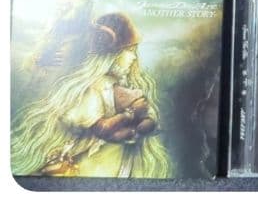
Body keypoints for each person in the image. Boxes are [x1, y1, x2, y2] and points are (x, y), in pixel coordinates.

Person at [11, 11, 170, 177]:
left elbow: (148, 120)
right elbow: (102, 129)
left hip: (119, 161)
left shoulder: (127, 86)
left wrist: (145, 121)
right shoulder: (95, 88)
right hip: (94, 164)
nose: (133, 58)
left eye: (134, 51)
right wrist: (130, 114)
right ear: (112, 55)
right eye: (129, 51)